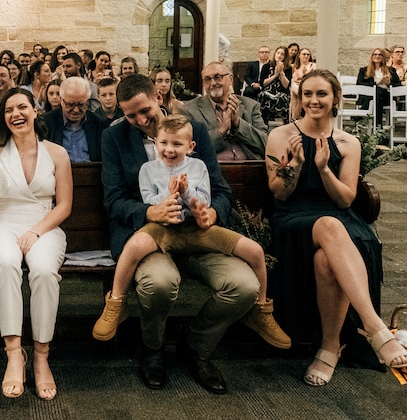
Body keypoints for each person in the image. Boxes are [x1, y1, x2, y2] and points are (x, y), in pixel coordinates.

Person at [99, 74, 260, 394]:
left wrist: (213, 212)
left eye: (144, 111)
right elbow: (113, 200)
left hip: (198, 234)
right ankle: (153, 348)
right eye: (130, 115)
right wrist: (149, 212)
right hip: (150, 236)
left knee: (244, 286)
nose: (139, 121)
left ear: (157, 97)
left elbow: (221, 191)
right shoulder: (114, 137)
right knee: (159, 282)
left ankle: (196, 345)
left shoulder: (193, 130)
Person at [265, 69, 407, 386]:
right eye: (308, 94)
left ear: (334, 100)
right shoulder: (280, 136)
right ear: (300, 98)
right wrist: (295, 168)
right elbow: (279, 192)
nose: (314, 100)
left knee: (325, 259)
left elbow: (345, 199)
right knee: (330, 227)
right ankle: (376, 329)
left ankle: (329, 347)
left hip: (337, 217)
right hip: (293, 218)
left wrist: (323, 169)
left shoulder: (349, 142)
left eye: (322, 94)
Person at [93, 113, 290, 348]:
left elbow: (205, 199)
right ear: (155, 142)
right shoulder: (148, 169)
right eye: (164, 143)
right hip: (163, 227)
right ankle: (116, 302)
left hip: (196, 229)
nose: (169, 149)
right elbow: (150, 201)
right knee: (134, 246)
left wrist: (190, 197)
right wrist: (169, 194)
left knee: (254, 250)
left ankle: (260, 308)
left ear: (191, 146)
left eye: (177, 144)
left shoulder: (198, 166)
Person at [0, 88, 72, 400]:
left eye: (22, 107)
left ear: (35, 111)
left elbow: (64, 205)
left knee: (41, 270)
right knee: (7, 264)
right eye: (9, 110)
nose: (16, 114)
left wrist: (37, 231)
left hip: (44, 222)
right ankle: (14, 353)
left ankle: (41, 355)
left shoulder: (56, 153)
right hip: (2, 221)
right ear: (4, 118)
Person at [179, 62, 268, 161]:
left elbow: (266, 144)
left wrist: (238, 124)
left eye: (217, 77)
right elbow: (189, 148)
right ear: (203, 84)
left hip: (251, 169)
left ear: (230, 79)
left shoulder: (250, 106)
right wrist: (221, 131)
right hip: (211, 172)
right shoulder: (189, 110)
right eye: (207, 79)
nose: (213, 83)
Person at [41, 76, 109, 162]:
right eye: (70, 105)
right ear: (61, 101)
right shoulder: (45, 123)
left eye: (81, 105)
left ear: (87, 101)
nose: (76, 110)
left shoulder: (101, 125)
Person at [356, 47, 401, 127]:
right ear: (372, 56)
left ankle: (360, 116)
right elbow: (359, 84)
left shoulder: (391, 70)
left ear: (383, 57)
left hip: (386, 97)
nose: (377, 56)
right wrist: (377, 82)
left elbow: (399, 85)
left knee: (377, 92)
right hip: (369, 96)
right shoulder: (364, 70)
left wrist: (388, 83)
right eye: (375, 54)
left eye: (380, 54)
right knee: (377, 92)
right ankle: (378, 125)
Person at [257, 46, 293, 124]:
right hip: (268, 91)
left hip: (281, 92)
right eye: (278, 53)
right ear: (275, 54)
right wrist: (275, 76)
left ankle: (285, 123)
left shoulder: (288, 68)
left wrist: (281, 73)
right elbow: (263, 83)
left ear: (285, 57)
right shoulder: (266, 66)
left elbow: (286, 85)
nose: (279, 55)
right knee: (263, 96)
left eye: (282, 54)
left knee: (283, 98)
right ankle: (264, 123)